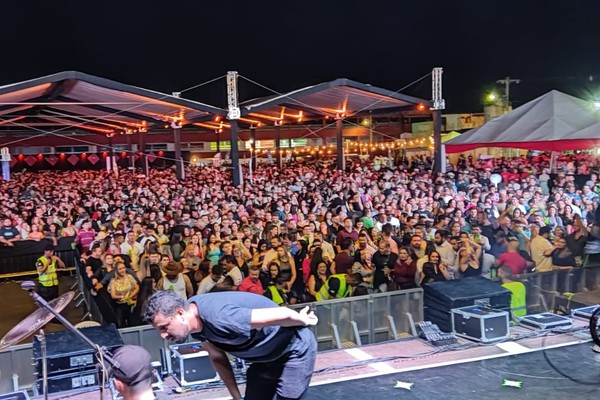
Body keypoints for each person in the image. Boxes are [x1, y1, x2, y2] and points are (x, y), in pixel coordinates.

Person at [144, 290, 318, 400]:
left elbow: (283, 313)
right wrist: (236, 396)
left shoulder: (220, 317)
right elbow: (218, 357)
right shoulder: (194, 325)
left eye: (164, 327)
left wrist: (304, 319)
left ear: (180, 313)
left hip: (293, 351)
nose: (164, 335)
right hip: (264, 360)